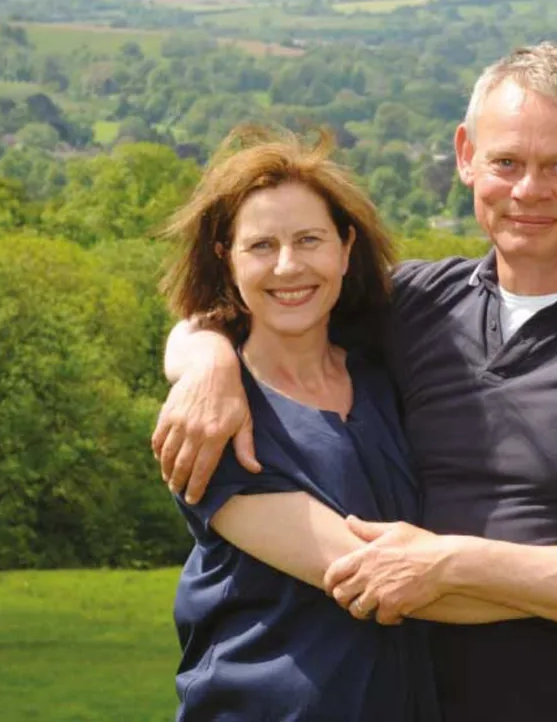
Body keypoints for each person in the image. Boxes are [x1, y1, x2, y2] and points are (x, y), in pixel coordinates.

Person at [154, 44, 557, 722]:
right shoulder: (418, 304)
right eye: (506, 162)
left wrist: (453, 563)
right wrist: (206, 363)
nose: (529, 191)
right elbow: (263, 307)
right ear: (466, 156)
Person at [158, 127, 527, 722]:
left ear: (346, 247)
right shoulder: (216, 421)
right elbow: (382, 581)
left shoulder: (387, 374)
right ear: (226, 258)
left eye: (309, 240)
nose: (288, 266)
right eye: (261, 246)